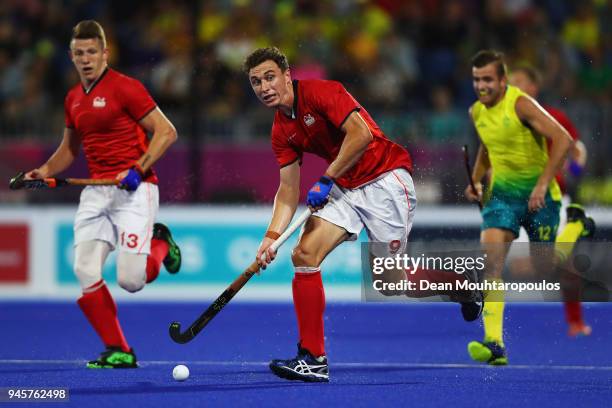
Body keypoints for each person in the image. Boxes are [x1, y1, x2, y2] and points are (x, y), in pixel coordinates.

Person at [243, 46, 482, 383]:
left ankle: (462, 285)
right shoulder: (281, 130)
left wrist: (326, 178)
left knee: (389, 281)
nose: (264, 87)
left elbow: (361, 134)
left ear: (286, 75)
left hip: (385, 180)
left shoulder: (324, 92)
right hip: (344, 187)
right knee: (304, 253)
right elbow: (287, 191)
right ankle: (313, 357)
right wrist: (271, 238)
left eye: (270, 77)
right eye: (255, 82)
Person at [24, 20, 182, 368]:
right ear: (71, 56)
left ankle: (160, 244)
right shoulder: (72, 99)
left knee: (131, 280)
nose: (85, 59)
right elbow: (68, 149)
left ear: (105, 53)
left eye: (92, 52)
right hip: (97, 192)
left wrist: (138, 168)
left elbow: (167, 132)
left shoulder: (126, 88)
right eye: (79, 53)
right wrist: (44, 172)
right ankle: (119, 350)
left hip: (134, 191)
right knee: (85, 270)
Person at [465, 50, 573, 365]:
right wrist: (476, 181)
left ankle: (576, 226)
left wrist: (542, 185)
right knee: (491, 263)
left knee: (544, 269)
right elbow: (487, 146)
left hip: (541, 197)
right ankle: (495, 343)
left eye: (487, 79)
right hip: (503, 198)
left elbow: (563, 139)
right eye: (476, 79)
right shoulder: (476, 112)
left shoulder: (521, 104)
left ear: (502, 80)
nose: (481, 86)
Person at [509, 66, 594, 337]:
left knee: (565, 266)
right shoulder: (504, 120)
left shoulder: (554, 117)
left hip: (553, 197)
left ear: (534, 87)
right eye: (511, 83)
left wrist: (577, 169)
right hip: (520, 200)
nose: (514, 87)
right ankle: (498, 330)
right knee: (517, 266)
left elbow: (577, 148)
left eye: (519, 82)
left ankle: (575, 321)